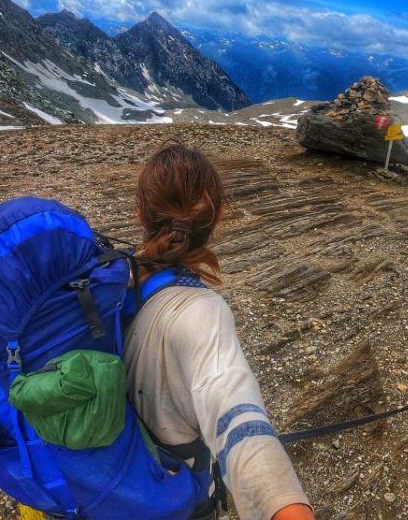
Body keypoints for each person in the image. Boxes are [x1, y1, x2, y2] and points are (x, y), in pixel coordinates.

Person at [124, 142, 314, 520]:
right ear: (220, 216)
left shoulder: (111, 279)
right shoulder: (200, 311)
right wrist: (283, 505)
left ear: (141, 213)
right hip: (166, 493)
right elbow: (233, 408)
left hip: (98, 483)